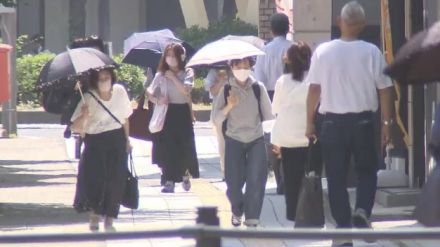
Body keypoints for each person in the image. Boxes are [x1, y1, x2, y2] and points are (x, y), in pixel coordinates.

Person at [305, 2, 394, 246]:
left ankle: (343, 230)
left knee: (335, 178)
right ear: (363, 25)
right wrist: (387, 123)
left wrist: (309, 122)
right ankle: (363, 211)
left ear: (339, 22)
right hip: (364, 122)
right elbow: (385, 90)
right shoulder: (372, 52)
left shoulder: (323, 51)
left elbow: (313, 90)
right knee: (367, 171)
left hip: (331, 123)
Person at [213, 57, 273, 227]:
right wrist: (229, 105)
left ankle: (252, 217)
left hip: (256, 139)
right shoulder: (226, 90)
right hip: (233, 140)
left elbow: (269, 117)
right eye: (239, 66)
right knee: (233, 183)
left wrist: (273, 141)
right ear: (232, 67)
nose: (243, 70)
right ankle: (237, 210)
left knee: (256, 179)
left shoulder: (258, 88)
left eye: (246, 66)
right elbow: (216, 119)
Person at [71, 68, 133, 231]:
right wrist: (84, 116)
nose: (104, 80)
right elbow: (75, 127)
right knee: (95, 179)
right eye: (100, 78)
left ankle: (110, 219)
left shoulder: (120, 92)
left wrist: (127, 140)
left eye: (107, 77)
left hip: (117, 140)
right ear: (94, 81)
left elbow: (125, 119)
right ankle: (95, 215)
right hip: (95, 142)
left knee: (116, 180)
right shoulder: (88, 97)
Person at [271, 42, 322, 223]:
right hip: (311, 136)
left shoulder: (282, 82)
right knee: (311, 176)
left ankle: (293, 214)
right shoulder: (314, 81)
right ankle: (313, 211)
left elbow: (275, 108)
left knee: (291, 179)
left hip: (288, 138)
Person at [147, 43, 200, 193]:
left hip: (182, 112)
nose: (171, 59)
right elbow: (149, 92)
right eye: (168, 55)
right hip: (167, 113)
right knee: (168, 147)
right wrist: (158, 100)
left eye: (174, 56)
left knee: (184, 145)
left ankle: (185, 173)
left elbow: (186, 91)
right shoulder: (161, 74)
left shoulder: (188, 72)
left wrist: (174, 78)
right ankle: (169, 180)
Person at [255, 13, 292, 194]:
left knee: (274, 139)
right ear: (288, 28)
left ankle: (279, 180)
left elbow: (259, 79)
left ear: (271, 30)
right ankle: (290, 177)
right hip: (291, 96)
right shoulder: (293, 48)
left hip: (269, 96)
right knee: (291, 137)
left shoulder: (264, 50)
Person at [205, 68, 229, 178]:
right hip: (220, 110)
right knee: (222, 142)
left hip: (237, 110)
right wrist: (220, 81)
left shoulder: (239, 70)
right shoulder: (213, 72)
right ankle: (225, 171)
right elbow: (212, 91)